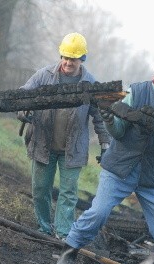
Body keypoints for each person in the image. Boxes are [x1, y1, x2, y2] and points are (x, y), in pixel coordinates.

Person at [55, 46, 154, 264]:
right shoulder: (137, 92)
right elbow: (120, 132)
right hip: (120, 168)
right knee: (99, 212)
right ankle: (69, 250)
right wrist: (110, 121)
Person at [17, 32, 111, 240]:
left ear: (82, 59)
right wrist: (24, 110)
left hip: (73, 148)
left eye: (74, 58)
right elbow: (22, 95)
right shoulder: (44, 76)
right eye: (66, 57)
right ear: (61, 56)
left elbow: (100, 116)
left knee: (68, 193)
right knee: (41, 189)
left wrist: (105, 144)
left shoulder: (90, 84)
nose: (68, 62)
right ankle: (43, 228)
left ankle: (62, 232)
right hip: (43, 143)